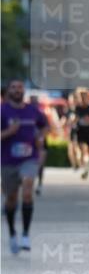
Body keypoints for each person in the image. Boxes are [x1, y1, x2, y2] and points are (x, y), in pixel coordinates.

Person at [1, 80, 47, 254]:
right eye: (13, 87)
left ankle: (26, 234)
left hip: (29, 158)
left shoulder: (32, 110)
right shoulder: (2, 110)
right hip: (7, 161)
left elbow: (44, 126)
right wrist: (9, 132)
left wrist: (40, 139)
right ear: (9, 91)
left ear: (23, 91)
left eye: (20, 87)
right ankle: (13, 232)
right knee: (11, 199)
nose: (16, 90)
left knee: (27, 190)